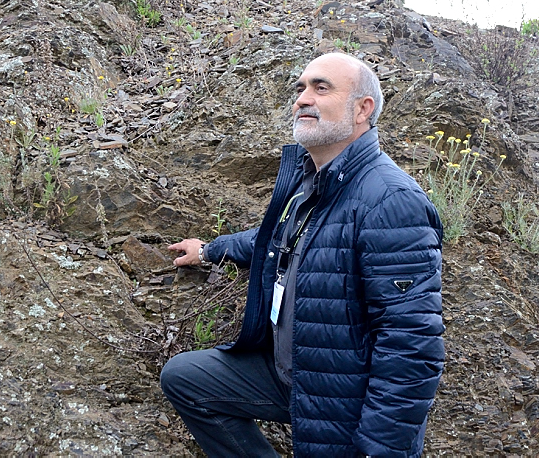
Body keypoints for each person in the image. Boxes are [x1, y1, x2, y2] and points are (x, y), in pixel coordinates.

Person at [161, 52, 444, 457]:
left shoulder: (389, 200)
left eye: (320, 87)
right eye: (300, 88)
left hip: (344, 396)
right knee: (186, 378)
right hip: (289, 375)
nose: (302, 99)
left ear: (363, 109)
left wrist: (376, 450)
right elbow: (272, 240)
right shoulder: (311, 184)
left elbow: (412, 345)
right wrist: (209, 250)